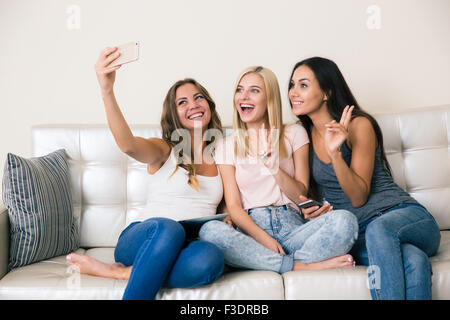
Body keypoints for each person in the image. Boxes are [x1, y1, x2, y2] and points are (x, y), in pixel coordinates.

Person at [66, 46, 225, 300]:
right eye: (182, 102)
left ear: (209, 104)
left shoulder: (223, 156)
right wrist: (107, 90)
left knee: (211, 259)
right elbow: (128, 144)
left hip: (187, 246)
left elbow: (228, 211)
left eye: (198, 98)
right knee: (170, 229)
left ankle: (117, 273)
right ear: (174, 115)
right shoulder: (164, 149)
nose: (193, 105)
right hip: (145, 237)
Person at [288, 56, 441, 299]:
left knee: (379, 230)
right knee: (414, 261)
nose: (293, 92)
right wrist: (311, 210)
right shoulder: (301, 136)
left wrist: (335, 154)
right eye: (292, 85)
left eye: (303, 85)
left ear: (326, 91)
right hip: (358, 233)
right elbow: (310, 192)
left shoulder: (359, 125)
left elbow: (358, 196)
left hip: (403, 216)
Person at [199, 66, 359, 274]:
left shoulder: (294, 133)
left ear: (270, 98)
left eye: (254, 90)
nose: (244, 96)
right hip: (252, 232)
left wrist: (273, 167)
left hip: (293, 228)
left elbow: (301, 195)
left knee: (346, 221)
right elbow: (234, 206)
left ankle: (267, 263)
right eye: (240, 90)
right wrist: (263, 239)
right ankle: (300, 266)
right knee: (210, 231)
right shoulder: (226, 145)